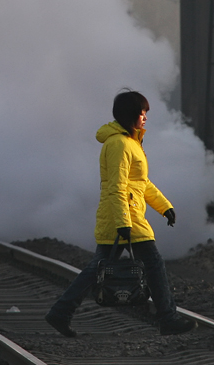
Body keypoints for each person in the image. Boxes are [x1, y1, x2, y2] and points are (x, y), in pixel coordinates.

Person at [44, 90, 195, 337]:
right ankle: (167, 318)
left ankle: (61, 313)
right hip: (126, 217)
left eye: (146, 112)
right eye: (141, 112)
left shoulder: (130, 143)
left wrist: (164, 206)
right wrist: (123, 223)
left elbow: (140, 183)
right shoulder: (119, 144)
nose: (145, 117)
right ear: (129, 115)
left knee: (96, 270)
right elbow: (116, 187)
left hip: (124, 215)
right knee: (154, 264)